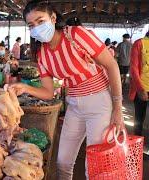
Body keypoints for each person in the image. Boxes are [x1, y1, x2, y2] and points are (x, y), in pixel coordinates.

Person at [9, 1, 124, 179]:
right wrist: (24, 87)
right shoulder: (41, 54)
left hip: (99, 103)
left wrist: (118, 109)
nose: (36, 28)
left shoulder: (76, 35)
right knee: (63, 162)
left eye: (41, 21)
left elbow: (112, 65)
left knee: (94, 167)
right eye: (31, 25)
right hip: (74, 106)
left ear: (53, 18)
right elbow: (48, 92)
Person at [129, 31, 149, 136]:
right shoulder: (139, 43)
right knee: (139, 119)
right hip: (142, 89)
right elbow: (134, 68)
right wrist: (141, 89)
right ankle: (137, 141)